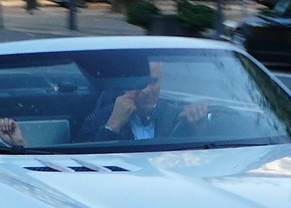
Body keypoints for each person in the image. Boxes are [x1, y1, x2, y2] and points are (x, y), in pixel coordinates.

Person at [84, 59, 212, 144]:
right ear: (125, 83)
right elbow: (87, 165)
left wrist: (198, 125)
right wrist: (112, 126)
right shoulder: (98, 120)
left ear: (161, 81)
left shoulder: (178, 116)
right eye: (139, 82)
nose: (145, 90)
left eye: (153, 81)